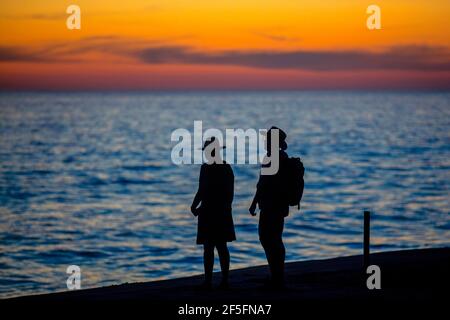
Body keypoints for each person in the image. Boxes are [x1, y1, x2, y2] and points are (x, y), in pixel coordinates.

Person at [191, 137, 235, 289]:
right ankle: (222, 280)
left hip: (210, 211)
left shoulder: (208, 168)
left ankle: (212, 280)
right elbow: (229, 194)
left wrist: (195, 205)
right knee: (217, 247)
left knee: (211, 247)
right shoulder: (225, 167)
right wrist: (195, 204)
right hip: (218, 211)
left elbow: (202, 190)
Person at [249, 126, 289, 288]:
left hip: (271, 206)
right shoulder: (282, 156)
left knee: (268, 238)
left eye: (267, 139)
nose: (265, 142)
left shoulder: (272, 158)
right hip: (278, 205)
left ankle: (276, 277)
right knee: (275, 239)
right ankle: (277, 275)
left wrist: (253, 203)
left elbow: (263, 184)